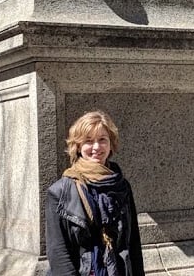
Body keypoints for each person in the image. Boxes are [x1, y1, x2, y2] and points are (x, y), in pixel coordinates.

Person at [45, 111, 144, 275]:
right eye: (88, 141)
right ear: (77, 146)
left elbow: (133, 243)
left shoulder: (122, 186)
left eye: (102, 140)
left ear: (111, 144)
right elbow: (58, 253)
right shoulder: (60, 192)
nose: (97, 147)